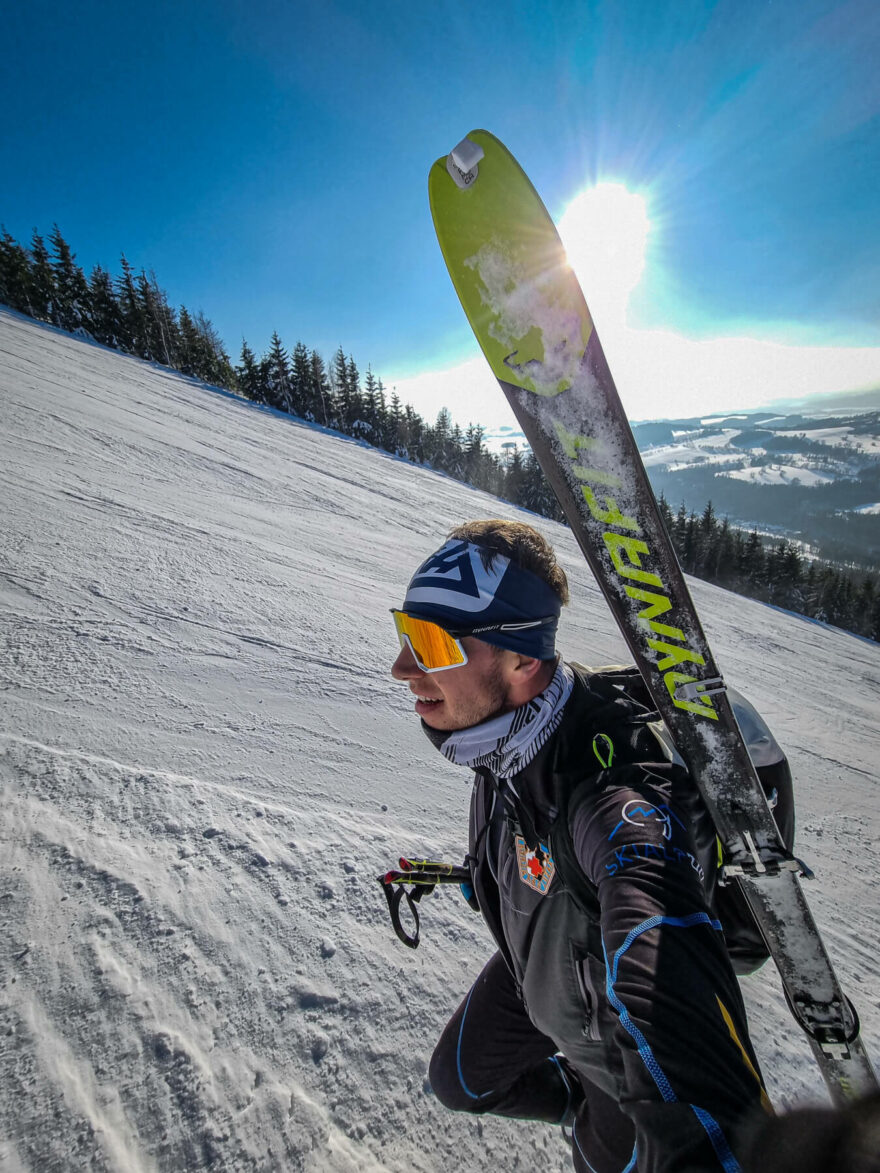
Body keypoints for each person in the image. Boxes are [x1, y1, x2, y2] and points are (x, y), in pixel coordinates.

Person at [390, 518, 781, 1173]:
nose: (402, 667)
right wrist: (490, 877)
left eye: (430, 642)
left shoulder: (611, 795)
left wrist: (716, 1148)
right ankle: (567, 1092)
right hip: (535, 974)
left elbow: (658, 928)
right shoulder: (501, 733)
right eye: (407, 633)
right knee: (459, 1078)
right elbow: (529, 836)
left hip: (610, 1058)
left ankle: (588, 1102)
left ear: (522, 661)